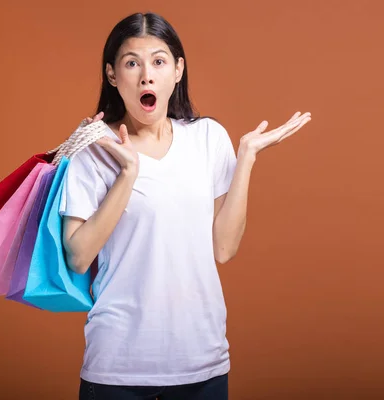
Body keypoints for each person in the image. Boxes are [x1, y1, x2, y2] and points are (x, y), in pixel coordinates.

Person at [58, 11, 311, 400]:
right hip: (118, 368)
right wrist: (127, 175)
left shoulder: (208, 138)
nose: (146, 75)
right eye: (131, 63)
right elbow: (77, 257)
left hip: (202, 361)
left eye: (159, 61)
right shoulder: (94, 150)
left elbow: (223, 249)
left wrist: (245, 158)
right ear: (112, 75)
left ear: (177, 70)